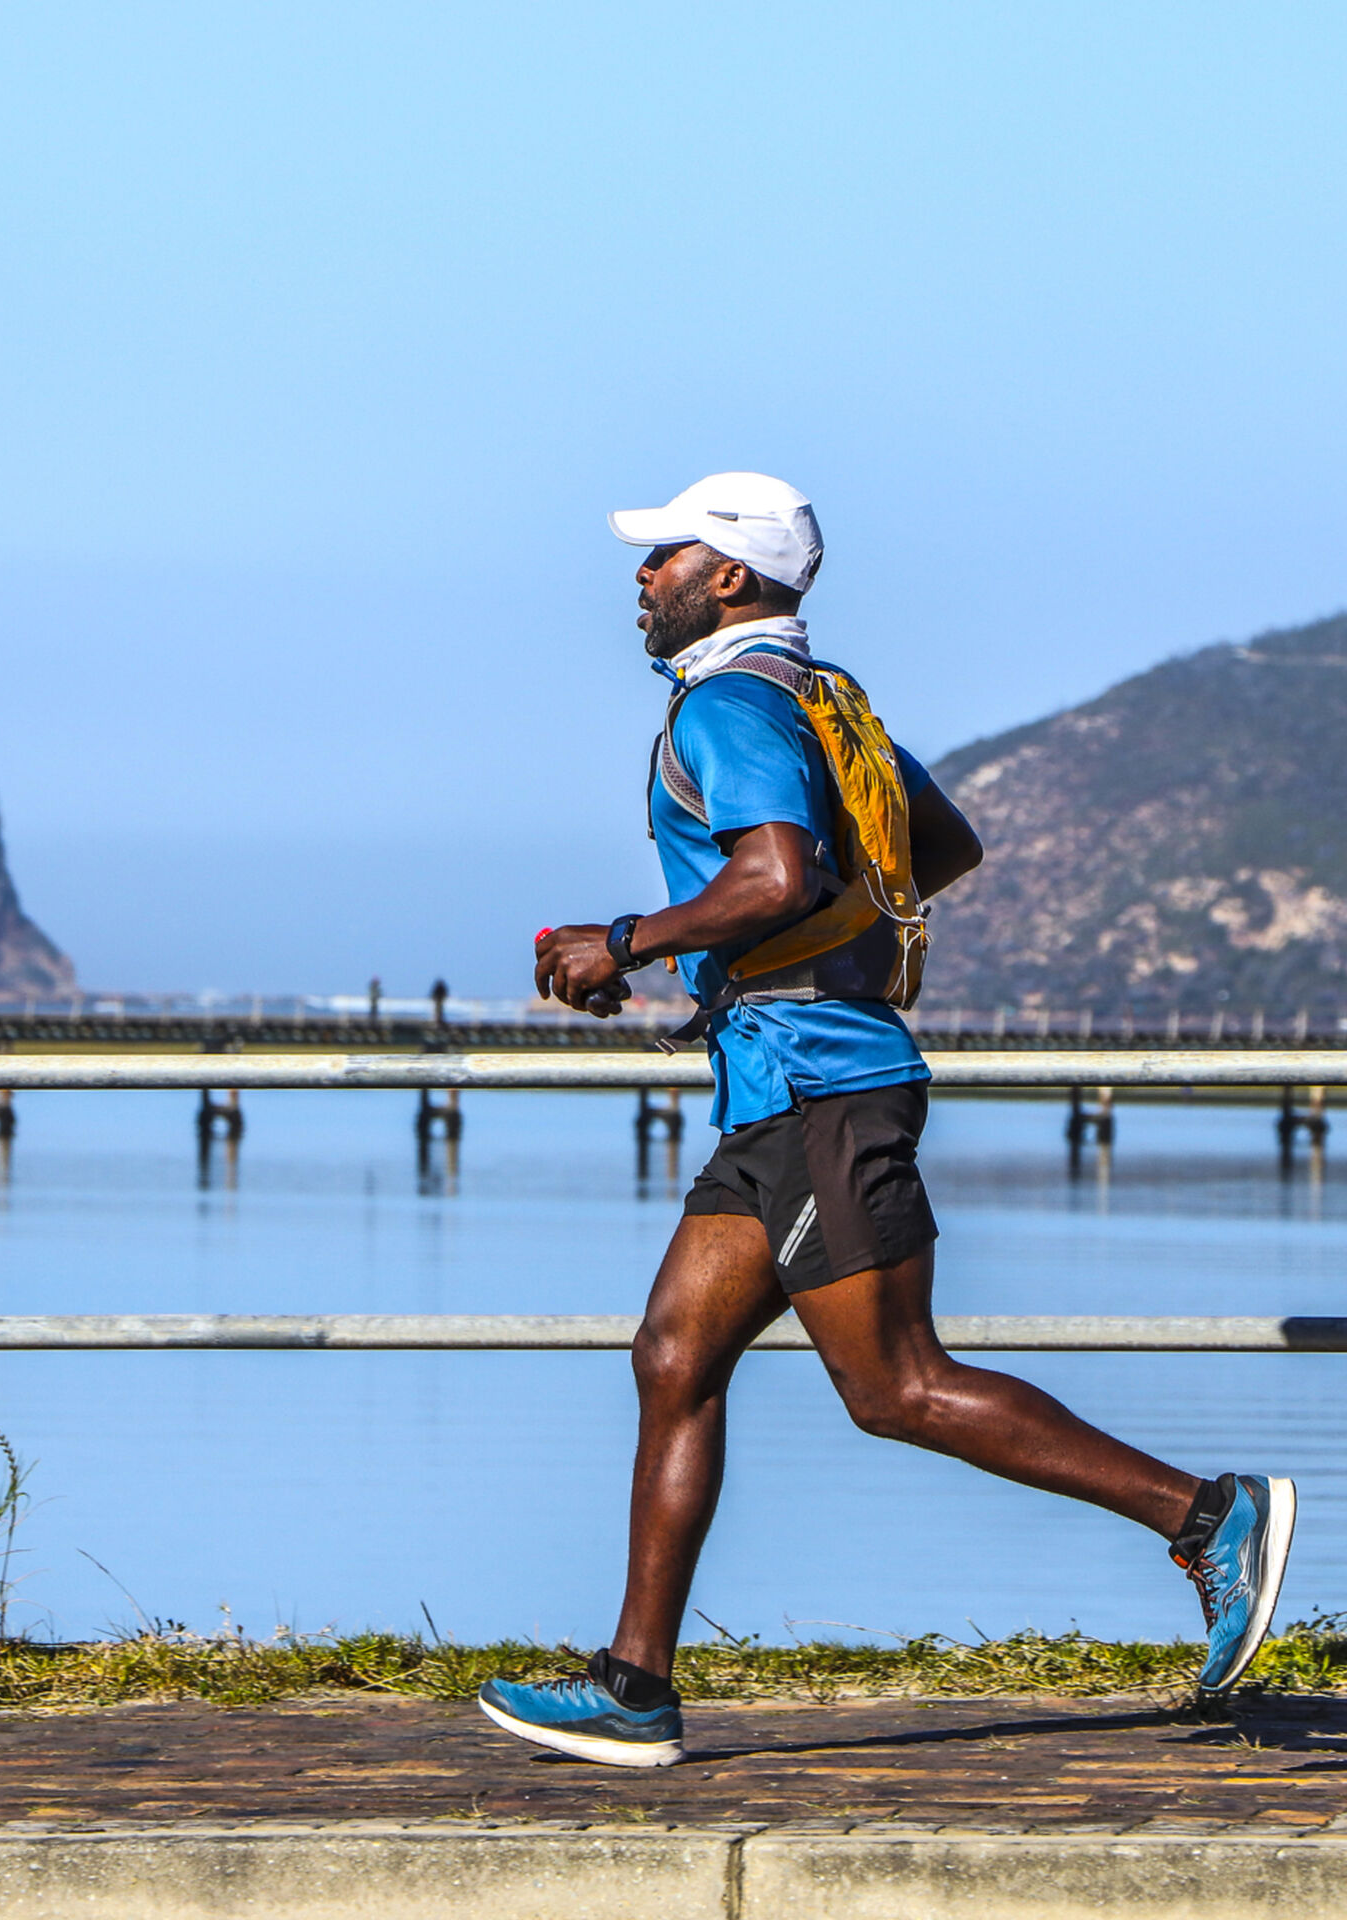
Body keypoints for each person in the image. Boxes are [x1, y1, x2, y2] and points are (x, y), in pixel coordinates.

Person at [478, 472, 1295, 1768]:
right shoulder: (828, 703)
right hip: (778, 1082)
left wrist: (628, 941)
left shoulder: (731, 706)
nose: (641, 579)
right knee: (672, 1358)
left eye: (665, 558)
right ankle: (636, 1683)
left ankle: (1203, 1516)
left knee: (898, 1386)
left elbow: (775, 870)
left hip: (818, 1086)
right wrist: (763, 959)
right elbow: (943, 844)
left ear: (728, 579)